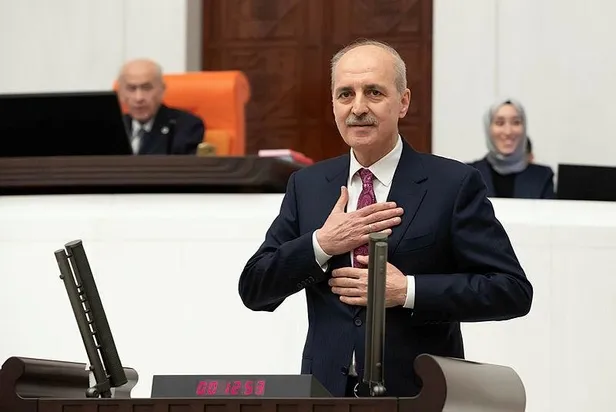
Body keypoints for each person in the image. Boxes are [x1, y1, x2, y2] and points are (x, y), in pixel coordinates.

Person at [238, 40, 533, 398]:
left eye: (374, 92)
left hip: (418, 394)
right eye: (345, 94)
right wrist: (321, 244)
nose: (358, 107)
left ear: (403, 102)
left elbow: (511, 290)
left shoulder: (452, 184)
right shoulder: (307, 185)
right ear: (333, 104)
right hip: (325, 394)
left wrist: (406, 290)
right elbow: (255, 290)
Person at [116, 58, 205, 155]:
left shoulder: (186, 126)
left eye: (147, 88)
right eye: (131, 89)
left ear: (162, 90)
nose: (139, 98)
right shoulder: (112, 128)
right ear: (121, 93)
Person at [469, 99, 555, 199]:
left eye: (516, 122)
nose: (508, 132)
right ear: (488, 128)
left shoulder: (542, 176)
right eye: (500, 123)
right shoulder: (470, 174)